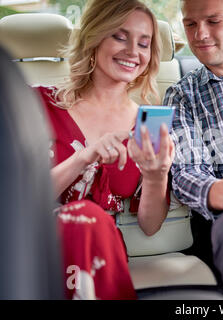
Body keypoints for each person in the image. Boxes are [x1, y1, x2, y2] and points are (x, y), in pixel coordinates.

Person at [35, 0, 174, 300]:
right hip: (32, 242)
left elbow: (150, 226)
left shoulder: (145, 125)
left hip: (99, 249)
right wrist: (84, 156)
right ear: (95, 38)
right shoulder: (37, 105)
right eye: (119, 37)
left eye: (144, 43)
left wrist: (156, 175)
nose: (133, 52)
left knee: (89, 220)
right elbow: (19, 196)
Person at [164, 0, 223, 299]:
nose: (200, 34)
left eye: (212, 21)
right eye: (190, 24)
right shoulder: (182, 95)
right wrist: (218, 191)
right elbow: (185, 171)